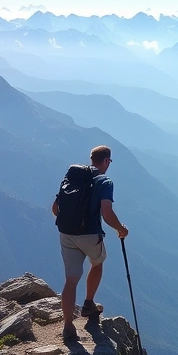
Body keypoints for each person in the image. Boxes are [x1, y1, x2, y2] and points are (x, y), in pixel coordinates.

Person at [52, 145, 129, 341]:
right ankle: (88, 304)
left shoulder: (72, 178)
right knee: (97, 262)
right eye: (109, 162)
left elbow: (55, 208)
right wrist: (120, 229)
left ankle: (68, 326)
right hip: (90, 235)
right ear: (106, 161)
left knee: (70, 281)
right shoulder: (104, 181)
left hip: (66, 233)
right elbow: (107, 212)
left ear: (91, 159)